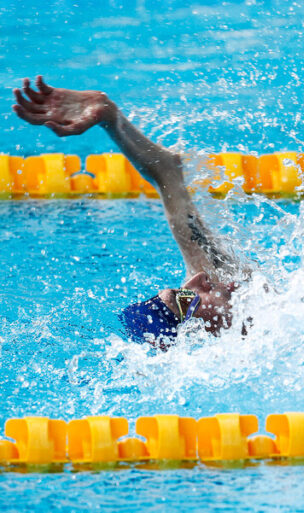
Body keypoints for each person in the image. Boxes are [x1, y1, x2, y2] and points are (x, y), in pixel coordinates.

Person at [12, 76, 245, 347]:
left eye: (183, 290)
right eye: (186, 299)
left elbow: (167, 172)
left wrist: (110, 118)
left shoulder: (226, 283)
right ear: (194, 331)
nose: (199, 279)